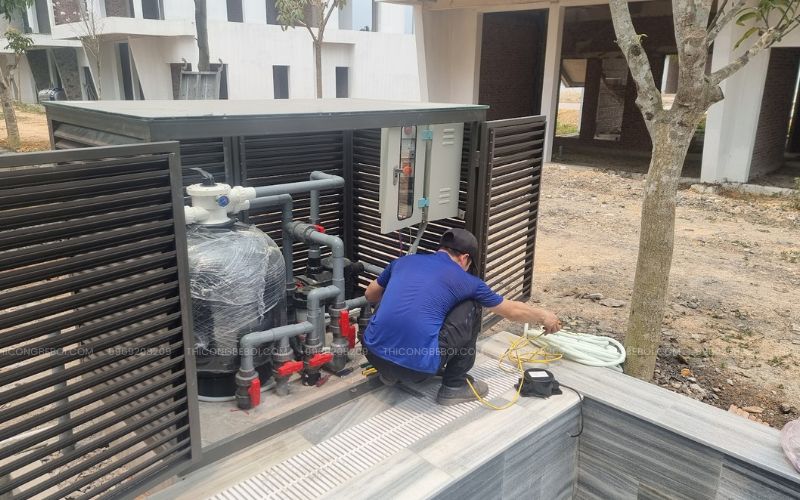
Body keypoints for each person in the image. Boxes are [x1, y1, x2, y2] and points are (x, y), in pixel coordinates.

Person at [362, 228, 561, 406]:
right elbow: (512, 311)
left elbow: (370, 295)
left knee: (395, 294)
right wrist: (544, 316)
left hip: (373, 354)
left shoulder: (403, 261)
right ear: (465, 258)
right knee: (471, 304)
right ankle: (454, 386)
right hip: (416, 370)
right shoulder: (469, 282)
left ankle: (389, 373)